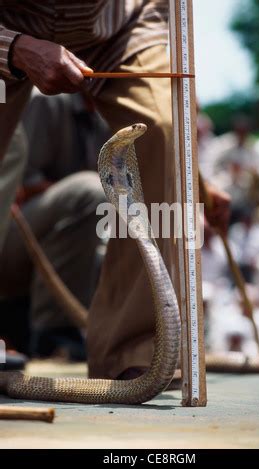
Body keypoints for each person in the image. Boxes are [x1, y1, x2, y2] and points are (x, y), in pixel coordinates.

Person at [0, 1, 230, 379]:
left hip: (116, 23)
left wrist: (196, 185)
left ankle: (132, 351)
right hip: (10, 20)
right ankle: (45, 327)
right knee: (88, 195)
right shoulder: (48, 111)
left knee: (163, 127)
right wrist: (14, 48)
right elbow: (26, 191)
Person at [0, 90, 110, 358]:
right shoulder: (45, 100)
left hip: (59, 232)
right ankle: (54, 335)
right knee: (91, 194)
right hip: (15, 233)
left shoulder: (105, 115)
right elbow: (23, 183)